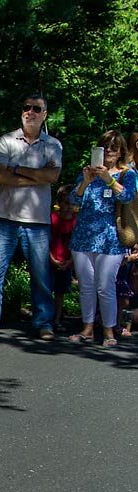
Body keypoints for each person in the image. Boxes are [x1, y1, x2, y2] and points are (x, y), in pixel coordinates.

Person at [0, 94, 62, 341]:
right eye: (26, 108)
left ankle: (43, 322)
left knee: (41, 276)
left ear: (45, 115)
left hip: (38, 221)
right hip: (5, 217)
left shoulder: (53, 144)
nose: (30, 112)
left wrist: (17, 169)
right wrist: (37, 175)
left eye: (36, 109)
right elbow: (0, 177)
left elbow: (52, 177)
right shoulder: (6, 141)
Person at [67, 130, 137, 347]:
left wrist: (109, 180)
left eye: (114, 148)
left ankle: (109, 330)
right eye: (105, 146)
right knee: (87, 285)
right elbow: (72, 200)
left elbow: (128, 196)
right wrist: (85, 182)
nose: (109, 151)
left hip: (111, 239)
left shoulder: (127, 174)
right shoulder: (88, 172)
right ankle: (87, 328)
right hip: (83, 237)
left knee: (105, 285)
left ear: (121, 152)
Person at [49, 184, 76, 332]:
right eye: (65, 202)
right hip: (51, 260)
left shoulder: (77, 222)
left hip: (67, 262)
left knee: (60, 293)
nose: (69, 207)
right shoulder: (52, 218)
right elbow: (45, 241)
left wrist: (70, 261)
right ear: (59, 203)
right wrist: (51, 259)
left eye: (72, 203)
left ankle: (57, 319)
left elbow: (77, 245)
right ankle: (45, 317)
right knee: (47, 289)